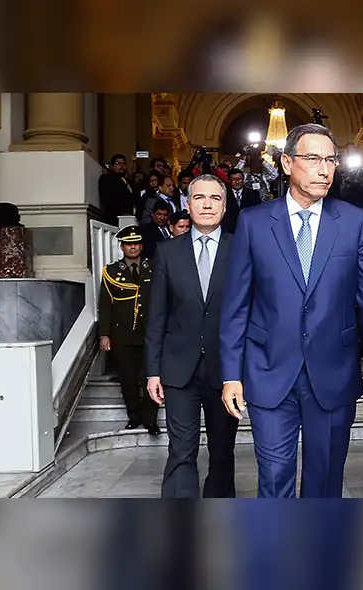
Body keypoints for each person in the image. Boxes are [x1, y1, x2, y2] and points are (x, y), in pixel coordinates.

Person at [219, 123, 363, 498]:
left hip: (333, 371)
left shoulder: (354, 222)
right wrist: (231, 374)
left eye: (331, 160)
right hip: (268, 371)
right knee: (274, 476)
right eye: (313, 159)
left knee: (325, 479)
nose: (324, 169)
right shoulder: (254, 223)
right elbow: (236, 303)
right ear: (287, 163)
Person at [146, 174, 239, 498]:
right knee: (181, 451)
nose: (207, 204)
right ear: (187, 204)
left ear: (225, 207)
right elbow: (157, 314)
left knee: (222, 453)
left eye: (215, 198)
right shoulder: (167, 252)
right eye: (199, 197)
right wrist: (152, 370)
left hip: (225, 371)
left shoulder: (240, 249)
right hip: (177, 369)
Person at [98, 225, 160, 435]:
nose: (132, 248)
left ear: (141, 245)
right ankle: (134, 417)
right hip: (122, 335)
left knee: (150, 377)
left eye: (136, 243)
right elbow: (105, 304)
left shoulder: (154, 267)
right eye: (128, 244)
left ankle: (150, 420)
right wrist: (104, 334)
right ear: (122, 246)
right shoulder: (112, 271)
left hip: (151, 335)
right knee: (128, 379)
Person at [98, 154, 138, 225]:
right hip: (115, 218)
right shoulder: (107, 178)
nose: (121, 166)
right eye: (118, 163)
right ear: (112, 166)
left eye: (123, 164)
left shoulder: (127, 181)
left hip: (129, 218)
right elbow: (109, 198)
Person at [221, 167, 263, 234]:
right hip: (228, 232)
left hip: (248, 230)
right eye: (234, 179)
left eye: (239, 179)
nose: (237, 182)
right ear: (229, 180)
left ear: (243, 180)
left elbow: (257, 213)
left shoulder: (253, 194)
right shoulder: (223, 195)